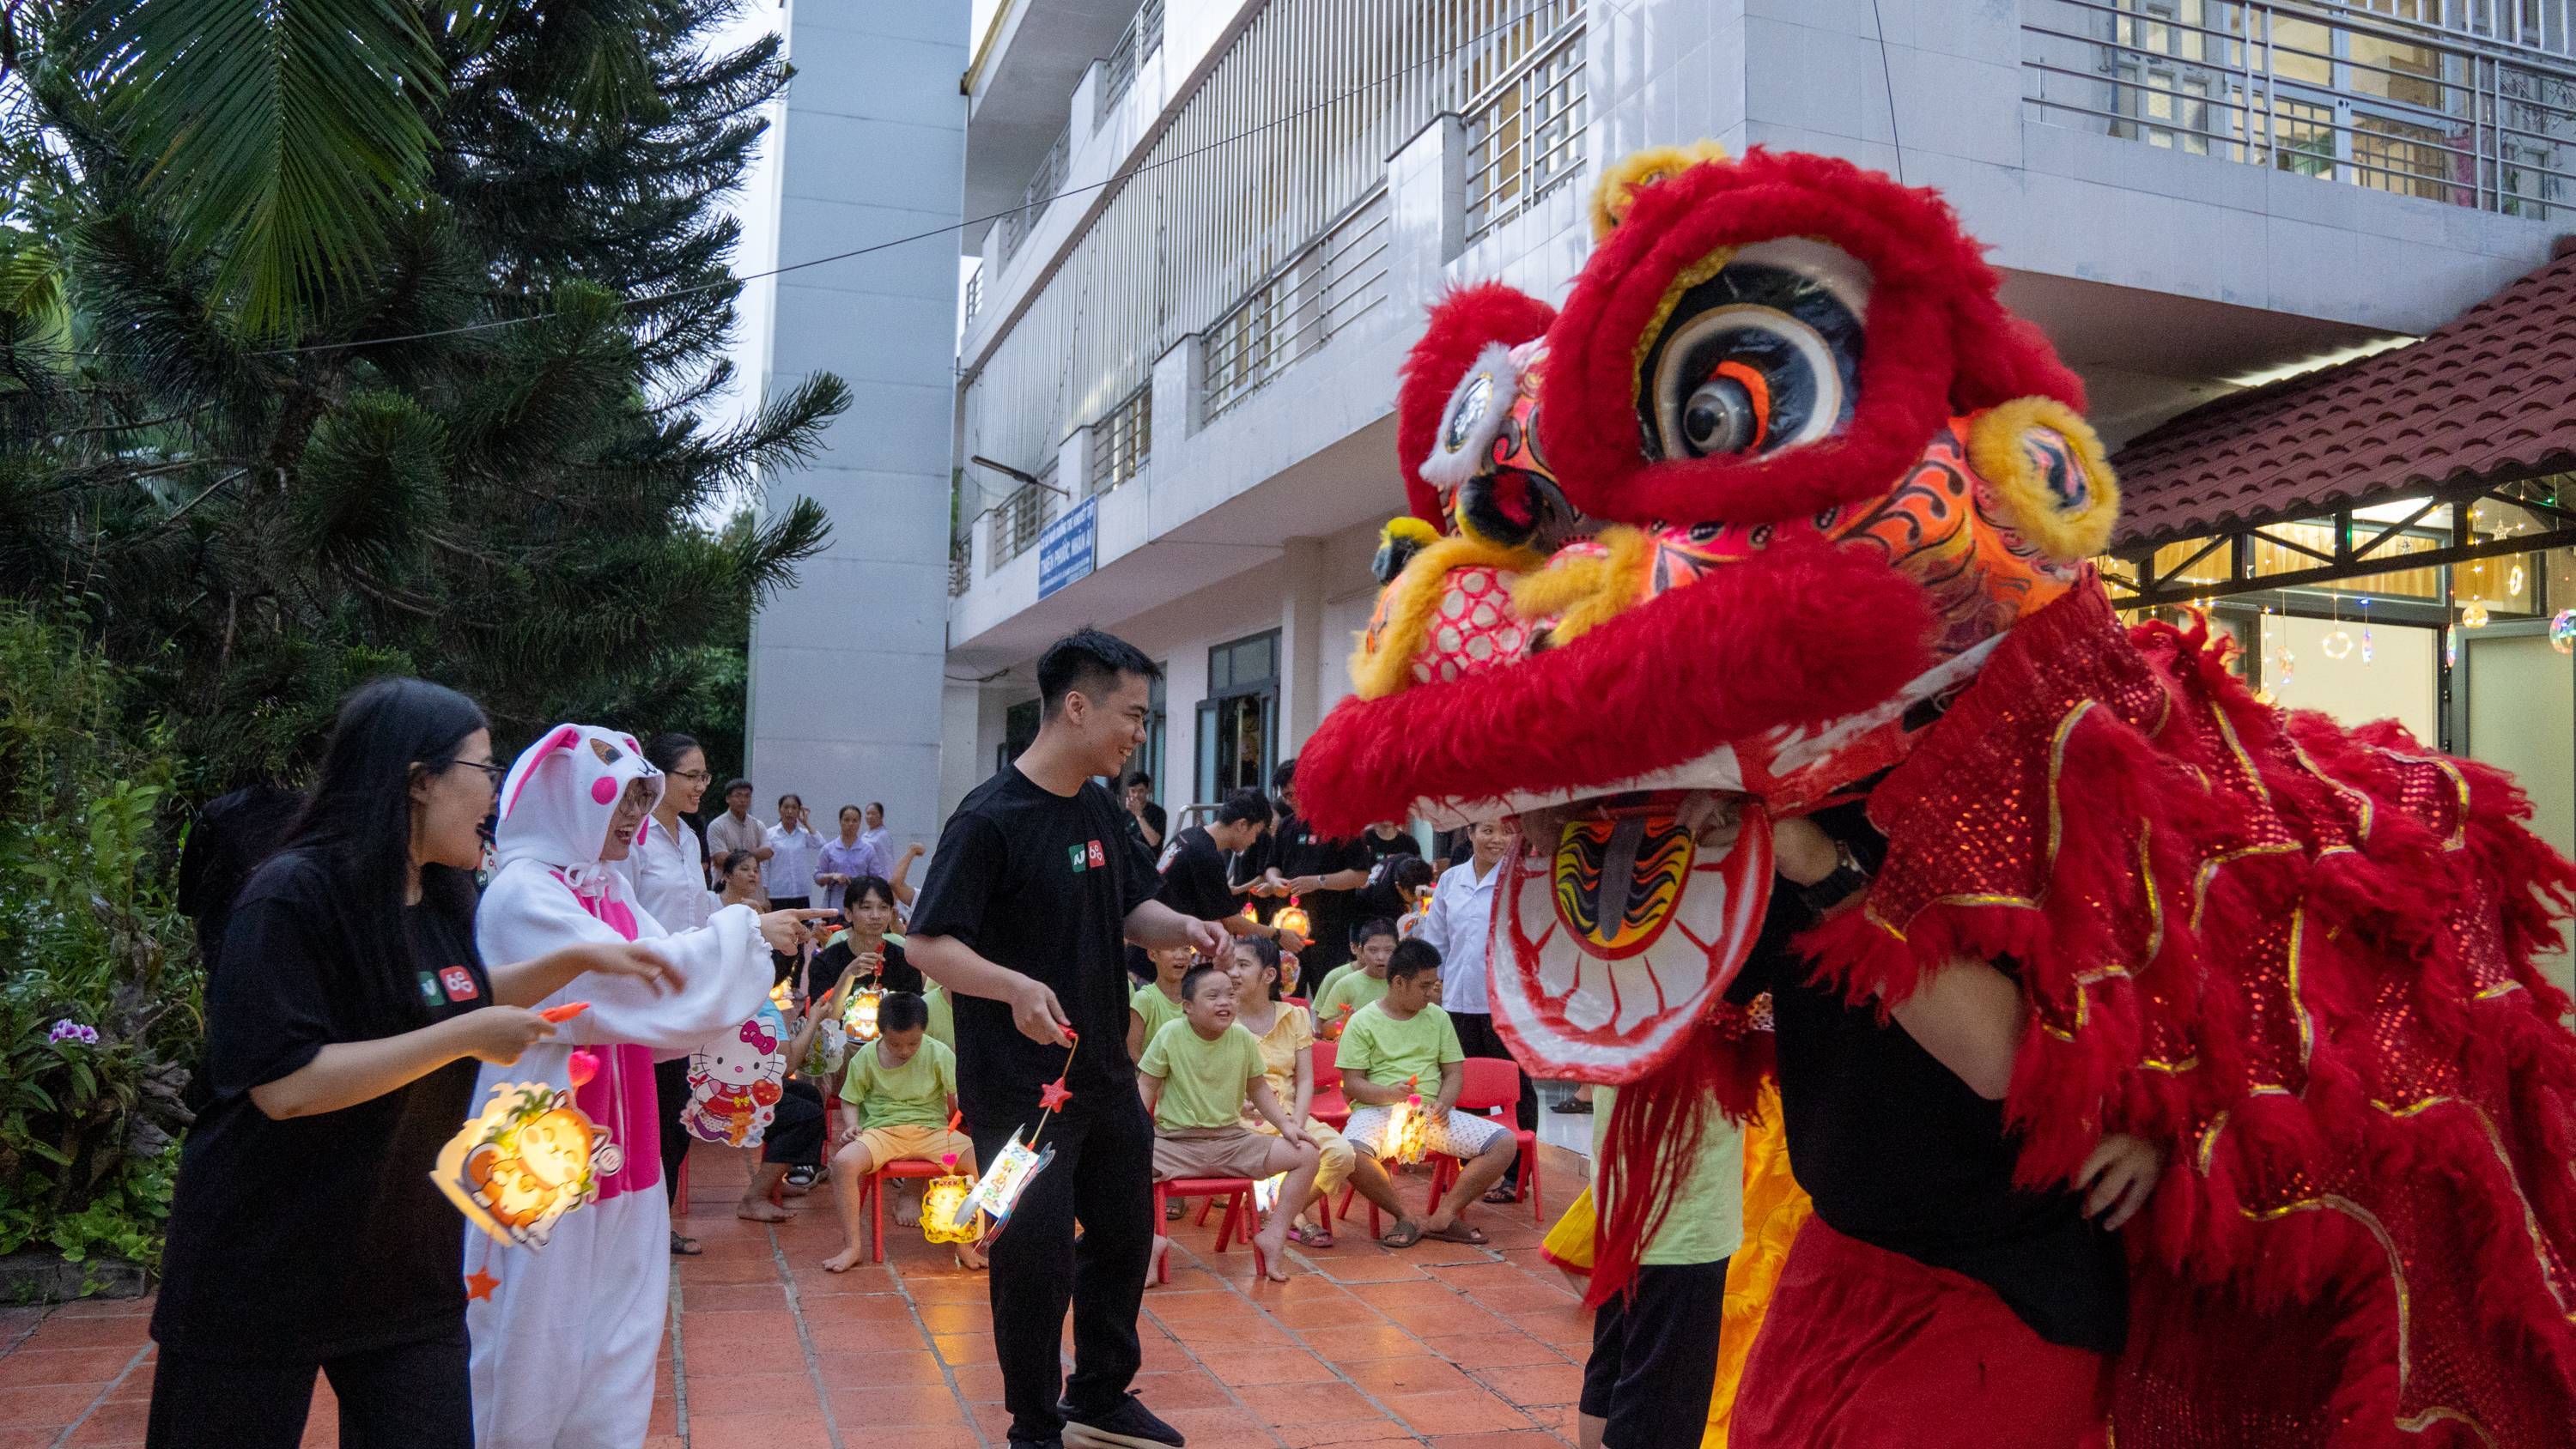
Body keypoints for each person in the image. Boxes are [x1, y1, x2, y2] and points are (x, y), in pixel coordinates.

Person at [147, 682, 672, 1449]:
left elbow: (458, 994)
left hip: (402, 1263)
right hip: (265, 1259)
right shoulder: (292, 896)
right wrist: (464, 1040)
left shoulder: (444, 895)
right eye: (484, 770)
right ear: (419, 778)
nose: (494, 795)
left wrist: (582, 958)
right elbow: (287, 1086)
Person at [906, 627, 1230, 1449]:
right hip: (1019, 1097)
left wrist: (1183, 924)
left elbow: (1133, 904)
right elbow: (927, 944)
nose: (1139, 733)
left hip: (1105, 1078)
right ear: (1076, 706)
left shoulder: (1096, 805)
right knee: (1033, 1256)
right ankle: (1032, 1425)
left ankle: (1101, 1395)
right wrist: (1013, 987)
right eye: (1133, 714)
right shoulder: (987, 820)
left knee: (1124, 1239)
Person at [465, 723, 822, 1449]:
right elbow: (640, 987)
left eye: (641, 798)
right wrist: (749, 937)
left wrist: (744, 938)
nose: (633, 815)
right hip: (534, 1131)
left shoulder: (599, 886)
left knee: (620, 1322)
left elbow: (660, 970)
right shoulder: (521, 894)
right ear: (568, 800)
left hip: (618, 1139)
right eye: (619, 799)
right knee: (532, 1326)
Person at [1577, 1079, 1742, 1449]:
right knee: (1659, 1406)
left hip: (1624, 1202)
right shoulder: (1700, 1018)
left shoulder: (1614, 1020)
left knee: (1613, 1368)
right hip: (1683, 1214)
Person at [1137, 962, 1319, 1285]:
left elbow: (1259, 1089)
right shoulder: (1169, 1035)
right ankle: (1147, 1242)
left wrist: (1287, 1125)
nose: (1226, 1002)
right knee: (1113, 1162)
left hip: (1233, 1143)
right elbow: (1146, 1087)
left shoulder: (1242, 1038)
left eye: (1231, 995)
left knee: (1306, 1153)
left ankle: (1273, 1235)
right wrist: (1134, 1132)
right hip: (1175, 1145)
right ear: (1188, 1007)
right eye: (1213, 996)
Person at [1337, 939, 1516, 1248]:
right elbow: (1352, 1084)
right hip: (1377, 1112)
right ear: (1398, 982)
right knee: (1349, 1153)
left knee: (1504, 1142)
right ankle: (1405, 1215)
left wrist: (1445, 1102)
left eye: (1435, 983)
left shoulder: (1438, 1017)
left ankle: (1443, 1217)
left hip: (1432, 1115)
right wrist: (1389, 1094)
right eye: (1424, 985)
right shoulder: (1363, 1021)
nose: (1432, 991)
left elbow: (1453, 1073)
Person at [628, 732, 719, 1254]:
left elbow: (693, 909)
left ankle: (655, 1227)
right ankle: (637, 1236)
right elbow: (626, 916)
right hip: (643, 1000)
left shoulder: (688, 836)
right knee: (646, 1119)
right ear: (658, 776)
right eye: (692, 775)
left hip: (684, 999)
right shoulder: (631, 838)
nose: (701, 786)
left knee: (678, 1120)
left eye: (704, 776)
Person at [1414, 817, 1538, 1201]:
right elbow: (1437, 942)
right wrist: (1433, 986)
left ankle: (1516, 1173)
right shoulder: (1451, 881)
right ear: (1469, 834)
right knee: (1465, 1086)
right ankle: (1474, 1170)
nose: (1496, 839)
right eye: (1487, 830)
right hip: (1458, 1002)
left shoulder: (1522, 881)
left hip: (1508, 1004)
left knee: (1516, 1086)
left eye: (1505, 831)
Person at [822, 991, 983, 1272]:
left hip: (933, 1133)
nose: (905, 1050)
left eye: (913, 1042)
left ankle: (965, 1244)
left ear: (923, 1031)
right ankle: (853, 1246)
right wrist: (852, 1126)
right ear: (881, 1032)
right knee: (844, 1164)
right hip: (882, 1132)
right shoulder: (866, 1057)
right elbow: (850, 1099)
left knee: (980, 1161)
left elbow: (956, 1096)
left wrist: (964, 1112)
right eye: (895, 1043)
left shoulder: (938, 1053)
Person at [1227, 936, 1355, 1249]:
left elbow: (1306, 1079)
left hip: (1289, 1113)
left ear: (1269, 975)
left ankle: (1280, 1214)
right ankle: (1292, 1218)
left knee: (1341, 1154)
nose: (1232, 973)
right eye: (1229, 965)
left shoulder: (1294, 1015)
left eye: (1242, 965)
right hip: (1242, 1119)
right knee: (1281, 1155)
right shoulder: (1221, 1017)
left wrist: (1296, 1125)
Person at [1243, 758, 1370, 978]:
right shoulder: (1286, 825)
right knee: (1288, 992)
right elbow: (1271, 866)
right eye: (1285, 796)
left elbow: (1360, 875)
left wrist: (1318, 881)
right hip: (1287, 930)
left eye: (1294, 794)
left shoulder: (1342, 823)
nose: (1290, 801)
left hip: (1329, 930)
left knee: (1328, 996)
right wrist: (1275, 881)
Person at [737, 975, 836, 1225]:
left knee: (808, 1094)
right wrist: (813, 1019)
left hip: (724, 1087)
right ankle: (754, 1198)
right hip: (733, 1100)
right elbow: (787, 1065)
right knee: (806, 1116)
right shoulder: (761, 1004)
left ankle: (780, 1176)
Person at [1155, 786, 1301, 952]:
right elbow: (1230, 922)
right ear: (1242, 825)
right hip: (1161, 947)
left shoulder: (1190, 835)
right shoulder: (1205, 854)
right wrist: (1278, 934)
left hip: (1158, 937)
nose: (1253, 841)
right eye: (1256, 832)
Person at [810, 875, 921, 998]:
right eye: (866, 907)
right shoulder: (824, 963)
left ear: (891, 914)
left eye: (883, 908)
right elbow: (821, 1016)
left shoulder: (906, 962)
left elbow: (913, 1014)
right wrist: (848, 975)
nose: (875, 916)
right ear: (848, 914)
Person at [1312, 919, 1397, 1040]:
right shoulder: (1345, 984)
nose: (1381, 957)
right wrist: (1345, 1020)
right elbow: (1323, 1030)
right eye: (1373, 950)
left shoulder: (1404, 982)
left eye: (1389, 950)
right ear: (1361, 951)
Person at [1127, 943, 1194, 1063]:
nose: (1180, 956)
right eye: (1172, 949)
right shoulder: (1144, 999)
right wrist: (1156, 1079)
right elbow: (1133, 1054)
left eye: (1186, 949)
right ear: (1152, 955)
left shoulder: (1194, 1000)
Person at [765, 795, 823, 912]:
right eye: (786, 807)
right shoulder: (770, 834)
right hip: (778, 893)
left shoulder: (803, 834)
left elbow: (821, 843)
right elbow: (764, 865)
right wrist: (764, 892)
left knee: (803, 929)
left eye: (794, 808)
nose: (789, 811)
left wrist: (806, 822)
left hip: (800, 892)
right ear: (779, 810)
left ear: (799, 811)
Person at [705, 778, 771, 875]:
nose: (743, 800)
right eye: (738, 796)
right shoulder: (717, 826)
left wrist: (733, 855)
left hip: (753, 887)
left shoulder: (757, 825)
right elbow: (720, 859)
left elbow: (768, 852)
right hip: (726, 886)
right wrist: (754, 854)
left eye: (747, 796)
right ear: (728, 798)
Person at [816, 805, 873, 909]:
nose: (850, 824)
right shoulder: (828, 849)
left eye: (855, 820)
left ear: (860, 823)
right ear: (840, 821)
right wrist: (832, 876)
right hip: (834, 907)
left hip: (860, 906)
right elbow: (817, 877)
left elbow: (877, 878)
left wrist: (860, 882)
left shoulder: (868, 850)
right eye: (846, 820)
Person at [1121, 773, 1167, 859]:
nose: (1136, 795)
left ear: (1147, 790)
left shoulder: (1158, 813)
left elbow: (1154, 842)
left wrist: (1139, 815)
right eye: (1133, 791)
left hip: (1149, 862)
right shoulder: (1125, 815)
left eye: (1141, 791)